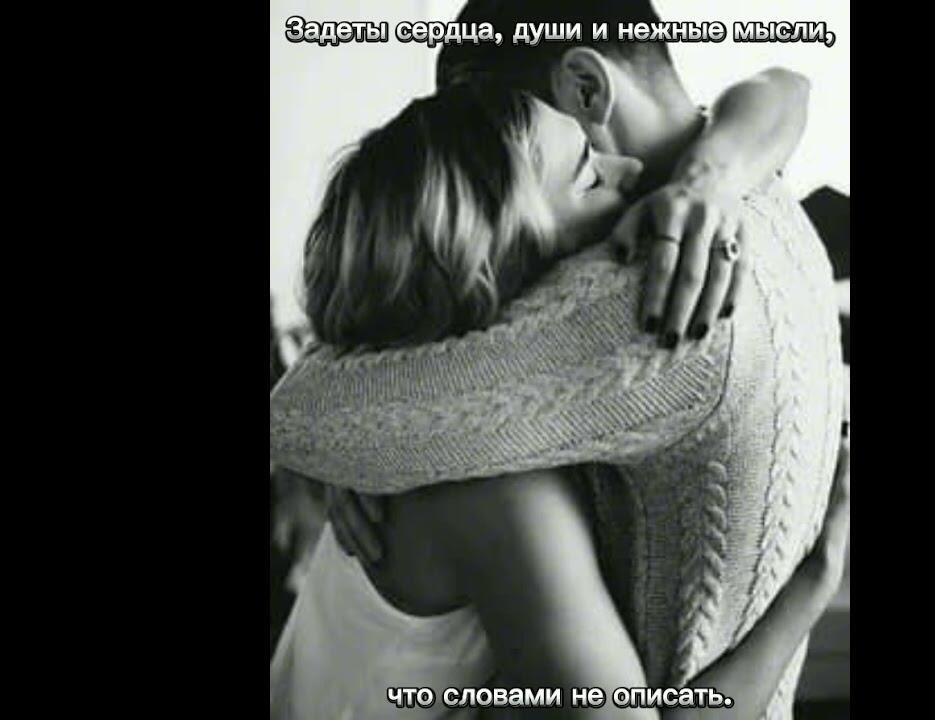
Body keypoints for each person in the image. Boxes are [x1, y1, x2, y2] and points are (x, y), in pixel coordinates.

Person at [272, 1, 846, 716]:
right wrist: (813, 585)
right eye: (585, 174)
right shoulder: (484, 467)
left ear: (588, 86)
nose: (627, 170)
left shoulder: (463, 429)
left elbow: (785, 83)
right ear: (514, 271)